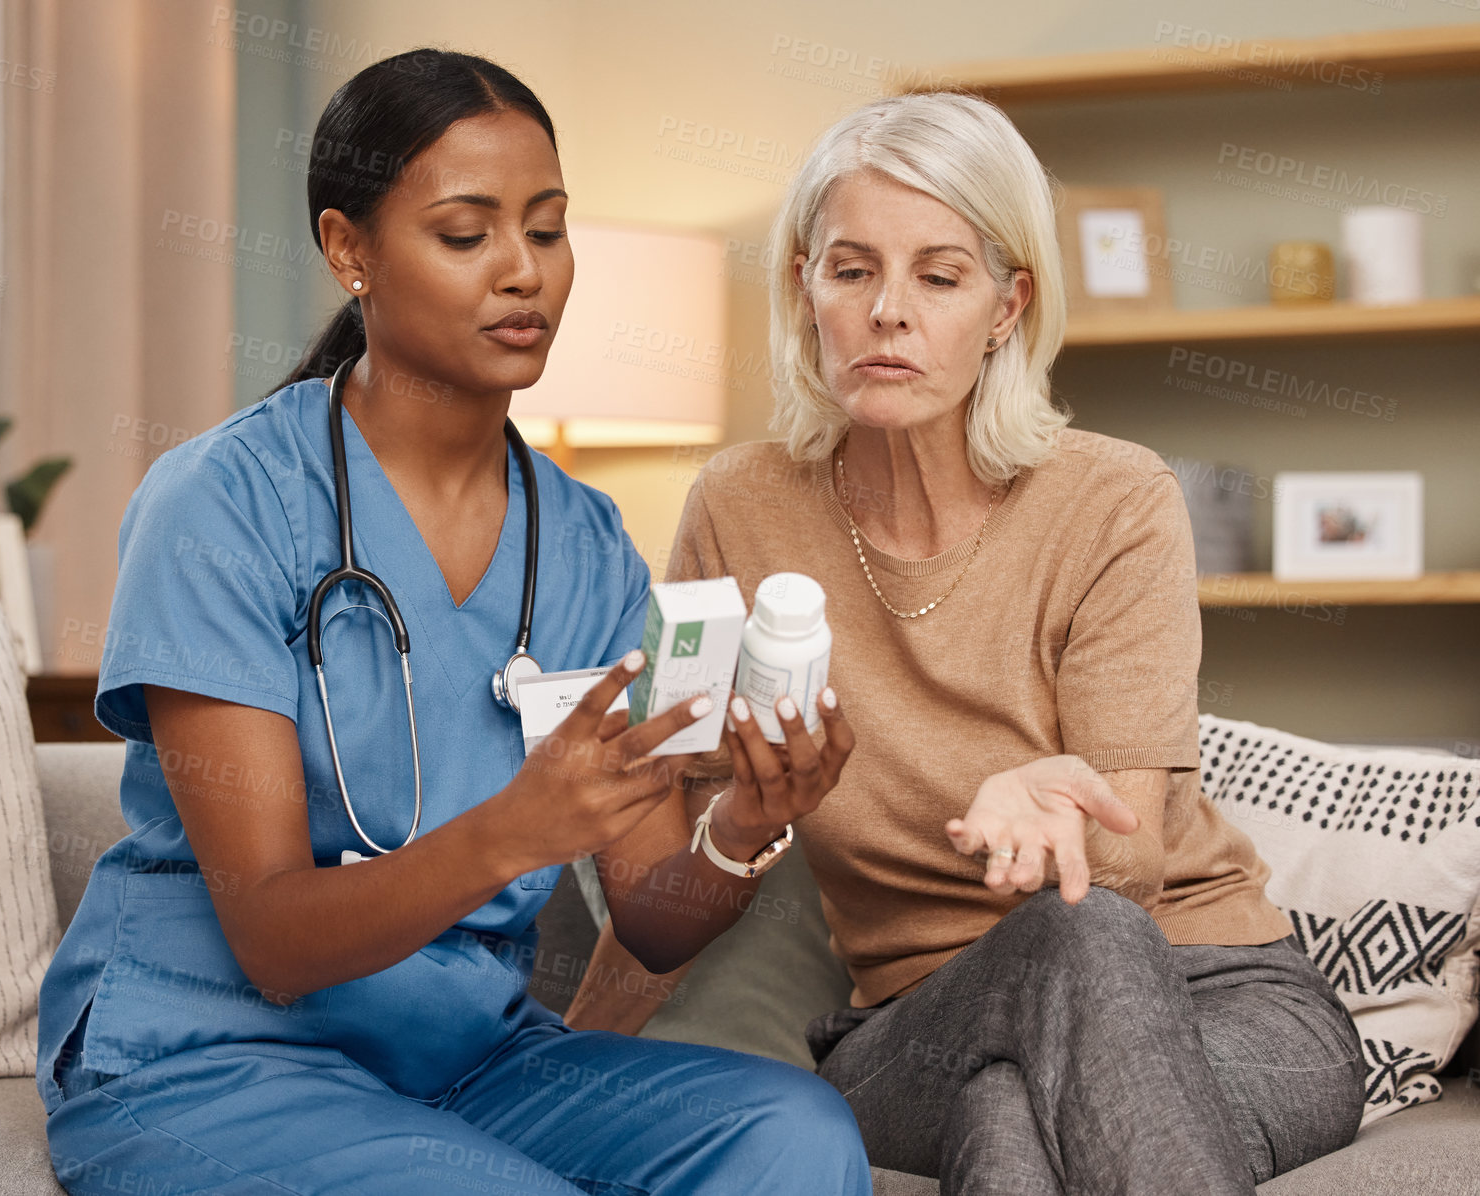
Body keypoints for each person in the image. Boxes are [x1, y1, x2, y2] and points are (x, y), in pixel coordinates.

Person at [34, 50, 872, 1196]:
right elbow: (275, 940)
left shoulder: (585, 543)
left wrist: (742, 825)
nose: (524, 273)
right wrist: (518, 828)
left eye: (548, 229)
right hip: (210, 1057)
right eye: (467, 235)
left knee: (794, 1129)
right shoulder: (222, 505)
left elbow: (654, 914)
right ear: (350, 251)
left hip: (466, 1059)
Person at [566, 91, 1367, 1194]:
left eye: (939, 276)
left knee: (1025, 1079)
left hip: (1220, 991)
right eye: (851, 271)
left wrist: (1050, 804)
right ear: (804, 287)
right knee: (1034, 1009)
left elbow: (1123, 868)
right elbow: (667, 863)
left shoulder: (1116, 498)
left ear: (1006, 305)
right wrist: (561, 1057)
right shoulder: (736, 508)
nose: (889, 310)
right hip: (918, 1022)